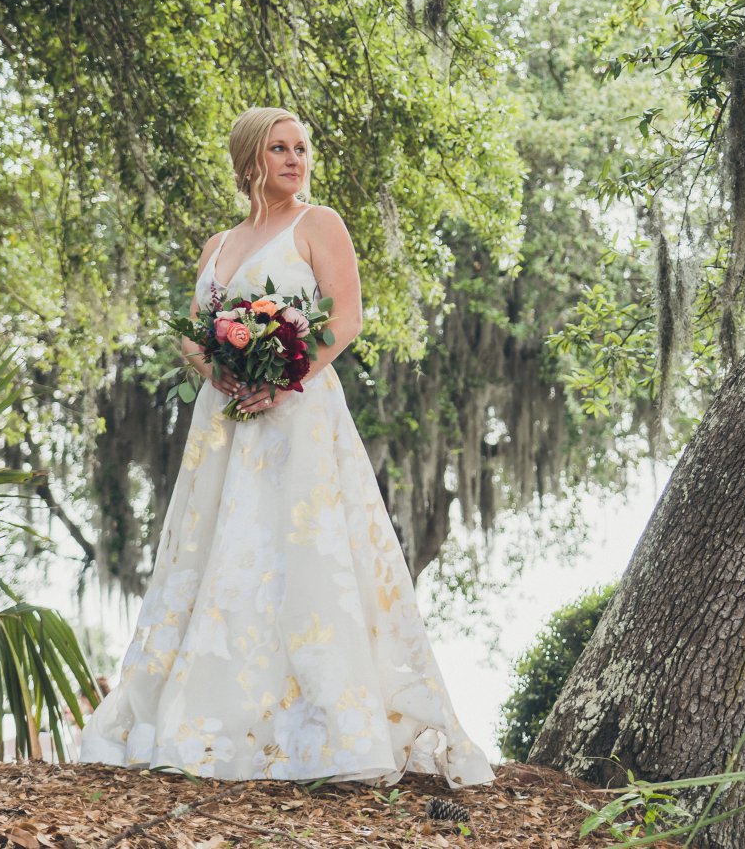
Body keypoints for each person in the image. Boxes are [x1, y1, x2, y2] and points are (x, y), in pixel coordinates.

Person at [79, 107, 493, 786]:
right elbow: (193, 331)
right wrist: (224, 370)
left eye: (302, 147)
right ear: (250, 162)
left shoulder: (319, 224)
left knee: (301, 556)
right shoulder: (219, 243)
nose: (296, 159)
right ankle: (210, 726)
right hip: (224, 421)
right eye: (280, 148)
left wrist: (280, 379)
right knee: (220, 552)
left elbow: (347, 317)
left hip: (299, 416)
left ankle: (324, 733)